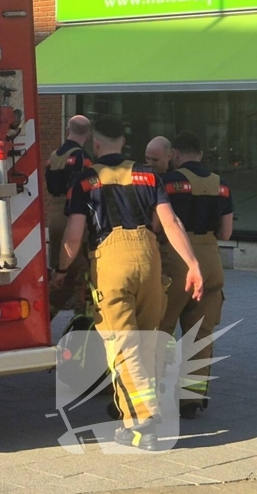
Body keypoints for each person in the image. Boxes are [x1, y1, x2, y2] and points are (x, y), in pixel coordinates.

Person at [53, 116, 203, 451]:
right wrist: (193, 264)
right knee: (147, 341)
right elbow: (169, 221)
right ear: (124, 141)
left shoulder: (86, 180)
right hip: (149, 258)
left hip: (111, 260)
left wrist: (61, 270)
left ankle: (141, 426)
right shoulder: (148, 175)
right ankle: (135, 413)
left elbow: (74, 235)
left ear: (96, 144)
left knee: (124, 345)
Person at [158, 132, 232, 419]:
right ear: (200, 153)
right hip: (211, 259)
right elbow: (226, 233)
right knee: (200, 332)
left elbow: (158, 223)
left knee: (161, 328)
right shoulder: (221, 183)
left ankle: (155, 393)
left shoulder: (168, 182)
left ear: (175, 154)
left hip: (177, 258)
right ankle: (192, 397)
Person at [45, 115, 92, 319]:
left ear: (67, 130)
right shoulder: (84, 158)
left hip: (54, 216)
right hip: (74, 216)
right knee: (84, 271)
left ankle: (47, 311)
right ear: (88, 135)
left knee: (61, 269)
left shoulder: (53, 156)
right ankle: (83, 319)